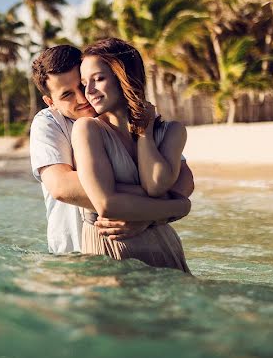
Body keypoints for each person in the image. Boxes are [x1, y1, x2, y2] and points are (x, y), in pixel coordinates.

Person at [29, 45, 194, 255]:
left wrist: (147, 217)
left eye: (83, 85)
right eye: (68, 94)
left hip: (142, 242)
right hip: (75, 253)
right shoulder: (49, 122)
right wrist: (147, 209)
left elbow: (183, 180)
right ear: (50, 102)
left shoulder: (121, 114)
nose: (83, 97)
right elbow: (62, 187)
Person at [72, 38, 191, 271]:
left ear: (124, 77)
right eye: (85, 83)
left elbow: (155, 184)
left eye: (99, 79)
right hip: (110, 249)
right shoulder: (88, 129)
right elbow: (106, 204)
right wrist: (180, 208)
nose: (89, 91)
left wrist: (144, 131)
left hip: (163, 246)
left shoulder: (171, 131)